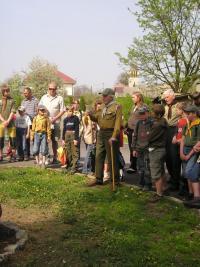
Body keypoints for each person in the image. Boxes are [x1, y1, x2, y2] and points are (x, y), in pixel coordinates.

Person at [88, 88, 122, 186]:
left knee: (112, 158)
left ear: (111, 96)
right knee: (98, 156)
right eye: (102, 95)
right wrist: (91, 115)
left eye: (105, 96)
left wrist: (114, 136)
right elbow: (97, 118)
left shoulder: (117, 106)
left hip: (110, 134)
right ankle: (98, 179)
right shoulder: (102, 106)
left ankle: (114, 181)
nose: (102, 97)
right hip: (101, 133)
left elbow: (118, 123)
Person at [39, 82, 65, 163]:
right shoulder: (44, 97)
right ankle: (45, 158)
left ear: (56, 89)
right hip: (45, 122)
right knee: (45, 140)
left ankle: (55, 158)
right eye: (50, 89)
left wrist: (55, 118)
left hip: (56, 122)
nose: (52, 90)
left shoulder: (60, 98)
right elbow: (39, 108)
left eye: (53, 89)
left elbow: (63, 110)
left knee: (55, 140)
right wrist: (44, 116)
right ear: (48, 89)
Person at [180, 105, 200, 208]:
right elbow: (183, 139)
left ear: (195, 114)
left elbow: (198, 143)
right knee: (186, 173)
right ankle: (192, 194)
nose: (186, 115)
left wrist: (189, 155)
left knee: (190, 171)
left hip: (193, 151)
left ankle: (195, 197)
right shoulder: (188, 124)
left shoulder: (198, 124)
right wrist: (181, 152)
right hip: (185, 150)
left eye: (188, 114)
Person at [148, 104, 168, 202]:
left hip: (156, 149)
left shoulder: (157, 125)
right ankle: (163, 188)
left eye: (153, 112)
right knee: (161, 170)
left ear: (158, 114)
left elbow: (149, 138)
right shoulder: (163, 121)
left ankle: (159, 194)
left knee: (156, 173)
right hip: (161, 149)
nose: (151, 113)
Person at [162, 88, 181, 191]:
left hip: (175, 131)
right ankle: (172, 177)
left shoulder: (178, 106)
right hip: (166, 132)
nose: (165, 99)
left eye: (167, 97)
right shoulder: (165, 107)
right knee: (167, 157)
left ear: (173, 96)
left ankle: (176, 182)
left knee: (174, 158)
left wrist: (178, 134)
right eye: (164, 97)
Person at [125, 91, 147, 173]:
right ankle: (133, 165)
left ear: (139, 98)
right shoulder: (133, 106)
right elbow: (131, 117)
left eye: (133, 97)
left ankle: (139, 166)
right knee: (132, 148)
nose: (132, 99)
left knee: (138, 148)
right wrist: (126, 127)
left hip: (138, 131)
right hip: (130, 130)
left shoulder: (144, 107)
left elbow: (145, 119)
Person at [132, 106, 153, 191]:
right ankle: (141, 183)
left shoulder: (152, 123)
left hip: (147, 149)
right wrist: (134, 148)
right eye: (140, 114)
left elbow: (153, 136)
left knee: (147, 167)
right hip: (139, 148)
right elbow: (135, 136)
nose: (141, 116)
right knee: (140, 166)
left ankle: (148, 184)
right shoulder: (138, 123)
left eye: (143, 114)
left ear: (147, 113)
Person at [171, 102, 188, 196]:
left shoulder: (187, 121)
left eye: (177, 109)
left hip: (184, 146)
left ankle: (185, 187)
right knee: (175, 165)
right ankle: (175, 184)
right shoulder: (179, 120)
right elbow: (177, 131)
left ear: (182, 110)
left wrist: (181, 140)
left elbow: (186, 134)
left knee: (184, 168)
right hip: (176, 145)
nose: (176, 111)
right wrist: (174, 136)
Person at [0, 84, 16, 162]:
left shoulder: (12, 100)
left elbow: (13, 112)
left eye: (7, 91)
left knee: (12, 139)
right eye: (4, 91)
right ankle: (0, 155)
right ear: (2, 92)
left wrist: (8, 121)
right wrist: (3, 121)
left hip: (11, 123)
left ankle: (12, 155)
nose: (6, 92)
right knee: (1, 139)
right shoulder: (0, 101)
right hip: (1, 123)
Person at [21, 86, 38, 159]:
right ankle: (27, 154)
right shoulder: (23, 101)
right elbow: (21, 111)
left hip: (34, 122)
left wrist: (31, 116)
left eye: (26, 93)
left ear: (30, 93)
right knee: (26, 138)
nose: (25, 94)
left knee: (34, 138)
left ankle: (35, 154)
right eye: (24, 93)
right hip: (25, 123)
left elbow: (37, 112)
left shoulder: (36, 100)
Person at [62, 105, 79, 174]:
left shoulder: (76, 118)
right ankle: (69, 165)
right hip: (67, 135)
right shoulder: (65, 119)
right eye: (68, 111)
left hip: (73, 135)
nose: (70, 113)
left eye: (71, 111)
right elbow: (64, 129)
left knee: (74, 151)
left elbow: (77, 128)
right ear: (66, 112)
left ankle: (74, 167)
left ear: (73, 111)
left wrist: (76, 139)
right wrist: (63, 139)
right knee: (68, 151)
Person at [80, 110, 96, 175]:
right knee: (88, 154)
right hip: (90, 139)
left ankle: (89, 168)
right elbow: (92, 130)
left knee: (89, 155)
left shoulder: (83, 118)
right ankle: (85, 169)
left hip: (85, 138)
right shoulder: (90, 120)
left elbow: (83, 128)